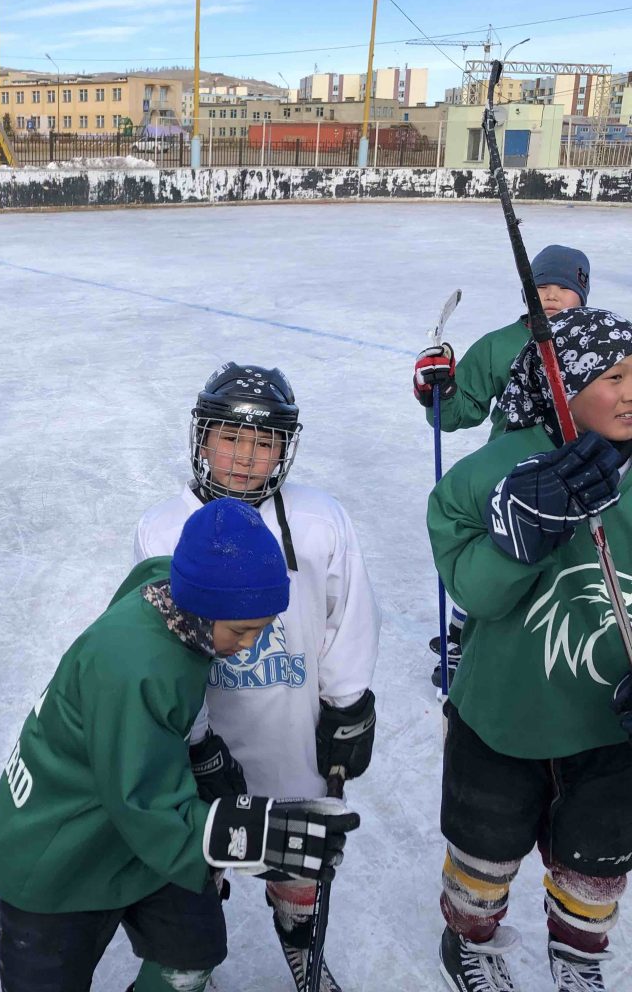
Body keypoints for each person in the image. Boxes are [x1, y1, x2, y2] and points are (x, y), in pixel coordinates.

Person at [0, 498, 360, 992]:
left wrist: (198, 744)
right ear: (203, 605)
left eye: (262, 629)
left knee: (192, 952)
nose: (250, 644)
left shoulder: (167, 587)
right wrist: (246, 835)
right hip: (59, 850)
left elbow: (153, 752)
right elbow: (143, 803)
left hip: (138, 833)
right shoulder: (132, 670)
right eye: (242, 630)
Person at [134, 363, 380, 992]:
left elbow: (346, 614)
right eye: (230, 437)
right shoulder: (162, 529)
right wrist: (194, 741)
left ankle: (301, 943)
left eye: (265, 441)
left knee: (299, 859)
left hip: (292, 734)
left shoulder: (321, 519)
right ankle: (192, 962)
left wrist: (348, 703)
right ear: (202, 438)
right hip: (203, 740)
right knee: (198, 862)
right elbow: (156, 649)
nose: (246, 457)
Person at [428, 306, 632, 992]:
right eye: (612, 377)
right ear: (559, 383)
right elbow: (473, 592)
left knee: (600, 856)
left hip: (612, 725)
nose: (631, 392)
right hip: (504, 712)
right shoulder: (493, 470)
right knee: (483, 846)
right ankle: (470, 937)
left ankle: (578, 952)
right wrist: (511, 543)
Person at [413, 245, 591, 687]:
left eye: (562, 288)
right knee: (495, 558)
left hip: (580, 472)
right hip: (509, 474)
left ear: (583, 293)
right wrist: (440, 391)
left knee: (561, 563)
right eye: (540, 286)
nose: (550, 295)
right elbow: (458, 412)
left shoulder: (597, 342)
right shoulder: (499, 344)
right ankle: (461, 638)